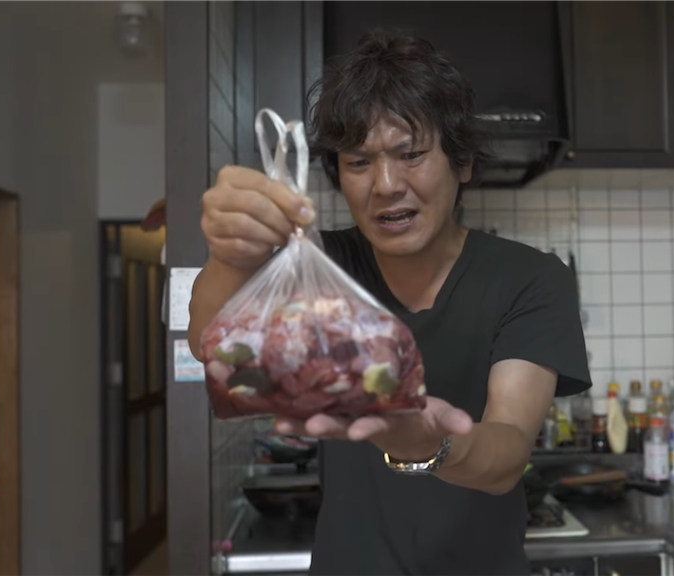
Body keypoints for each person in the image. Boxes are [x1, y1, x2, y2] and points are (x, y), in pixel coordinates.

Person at [188, 29, 591, 576]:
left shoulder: (529, 279)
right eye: (358, 161)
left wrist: (427, 443)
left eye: (412, 154)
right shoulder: (318, 266)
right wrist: (230, 255)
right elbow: (211, 345)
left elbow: (507, 452)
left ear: (463, 163)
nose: (384, 184)